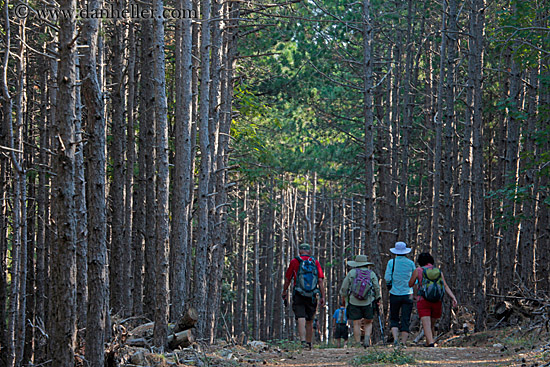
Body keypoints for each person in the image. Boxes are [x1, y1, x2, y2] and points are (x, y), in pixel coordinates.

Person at [282, 243, 326, 350]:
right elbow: (320, 280)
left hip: (299, 293)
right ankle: (309, 342)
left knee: (300, 317)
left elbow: (288, 279)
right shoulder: (314, 262)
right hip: (312, 294)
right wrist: (323, 296)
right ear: (309, 251)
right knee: (310, 319)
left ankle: (303, 342)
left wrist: (284, 291)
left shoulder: (294, 261)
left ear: (300, 251)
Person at [408, 252, 458, 347]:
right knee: (432, 323)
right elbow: (445, 285)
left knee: (426, 323)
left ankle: (431, 344)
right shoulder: (437, 271)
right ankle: (429, 342)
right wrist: (453, 297)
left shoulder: (418, 270)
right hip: (437, 300)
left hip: (422, 300)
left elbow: (410, 284)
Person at [339, 254, 381, 348]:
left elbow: (344, 287)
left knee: (356, 322)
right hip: (368, 301)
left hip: (354, 301)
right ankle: (366, 340)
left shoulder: (352, 273)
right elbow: (376, 287)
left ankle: (357, 343)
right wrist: (378, 297)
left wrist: (344, 295)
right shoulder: (371, 273)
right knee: (368, 322)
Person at [384, 241, 416, 347]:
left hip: (394, 293)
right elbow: (415, 279)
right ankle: (404, 342)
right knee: (405, 318)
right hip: (408, 294)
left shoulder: (391, 262)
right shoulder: (410, 263)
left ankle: (396, 340)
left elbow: (387, 278)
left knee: (394, 318)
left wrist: (391, 284)